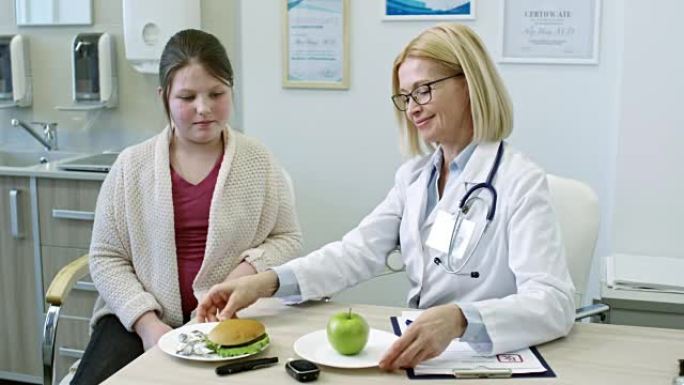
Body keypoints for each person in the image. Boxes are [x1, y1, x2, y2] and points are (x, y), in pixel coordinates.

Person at [196, 23, 575, 370]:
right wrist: (263, 283)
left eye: (423, 90)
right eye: (405, 97)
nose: (412, 108)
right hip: (422, 357)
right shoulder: (414, 179)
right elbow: (354, 253)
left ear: (469, 83)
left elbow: (553, 302)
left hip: (491, 359)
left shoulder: (519, 180)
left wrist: (460, 318)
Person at [71, 29, 302, 384]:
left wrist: (241, 276)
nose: (204, 108)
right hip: (136, 322)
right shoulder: (131, 166)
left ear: (231, 90)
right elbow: (105, 257)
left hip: (227, 319)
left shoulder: (258, 161)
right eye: (187, 96)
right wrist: (148, 325)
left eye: (216, 93)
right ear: (163, 97)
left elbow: (287, 238)